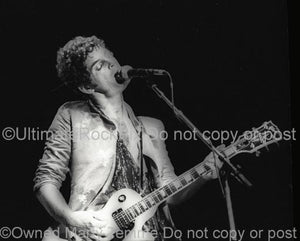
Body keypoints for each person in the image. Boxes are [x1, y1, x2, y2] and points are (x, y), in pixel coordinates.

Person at [33, 35, 222, 241]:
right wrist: (71, 219)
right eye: (99, 66)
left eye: (111, 57)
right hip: (91, 233)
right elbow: (46, 180)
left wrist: (203, 173)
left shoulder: (151, 127)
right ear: (87, 87)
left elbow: (171, 195)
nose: (112, 64)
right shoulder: (72, 115)